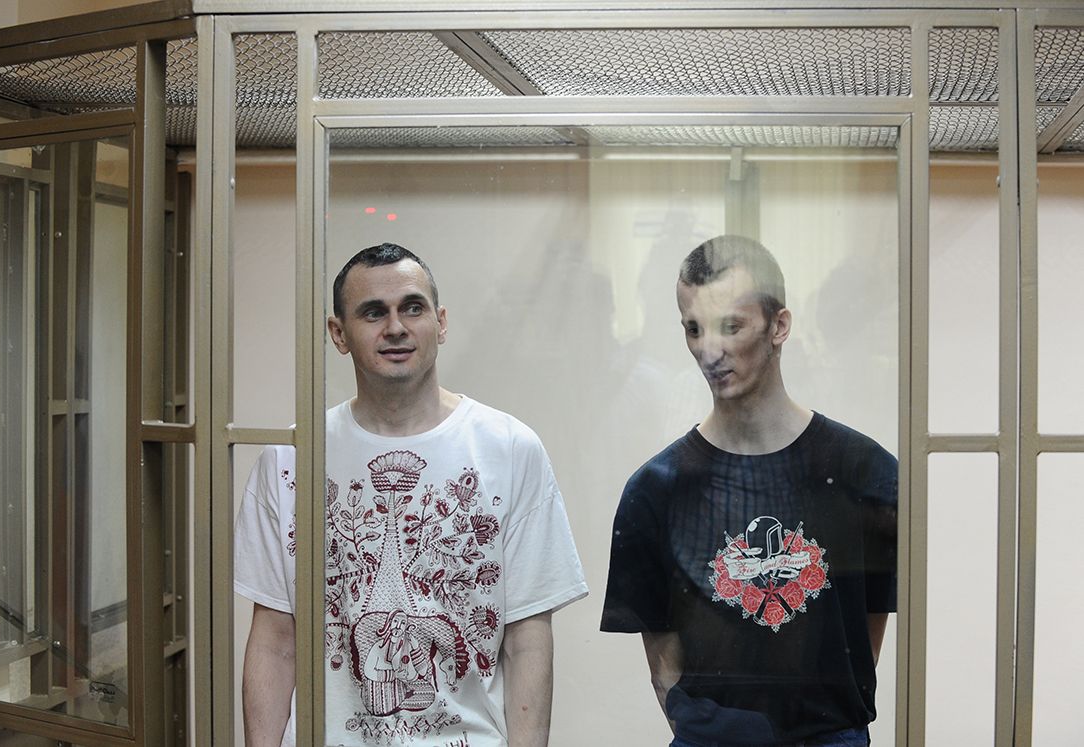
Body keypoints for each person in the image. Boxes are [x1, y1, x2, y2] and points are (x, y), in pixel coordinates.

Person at [235, 243, 588, 747]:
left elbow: (527, 639)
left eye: (413, 308)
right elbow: (275, 642)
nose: (396, 327)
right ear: (338, 333)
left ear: (440, 323)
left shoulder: (510, 449)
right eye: (373, 312)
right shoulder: (289, 459)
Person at [601, 235, 897, 747]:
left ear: (779, 326)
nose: (708, 350)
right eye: (694, 328)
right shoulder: (656, 490)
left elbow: (863, 635)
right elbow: (663, 662)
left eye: (730, 326)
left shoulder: (864, 473)